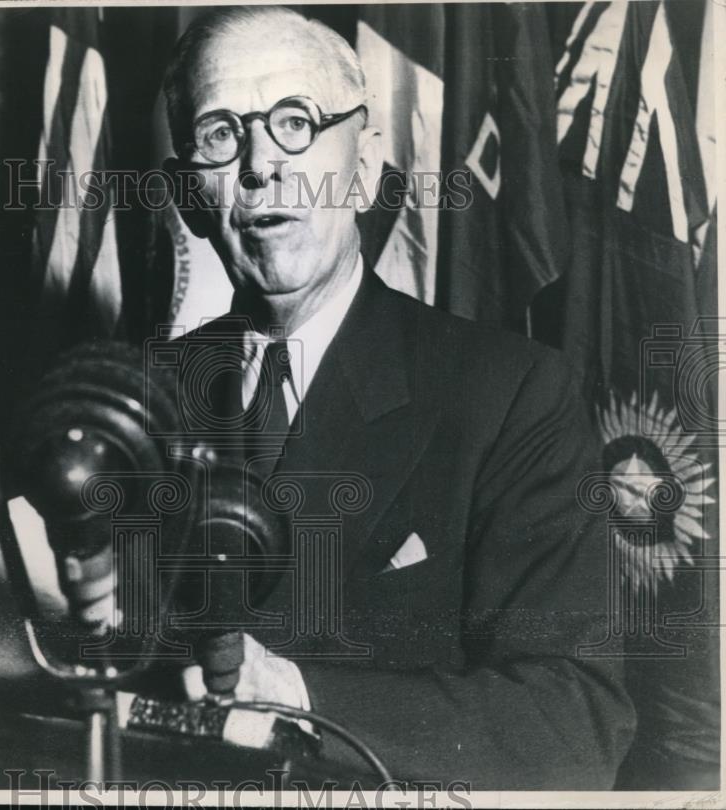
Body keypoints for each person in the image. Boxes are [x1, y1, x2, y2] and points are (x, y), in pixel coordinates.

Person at [159, 5, 637, 789]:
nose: (259, 166)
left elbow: (571, 721)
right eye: (220, 133)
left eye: (294, 122)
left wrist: (297, 699)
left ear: (367, 160)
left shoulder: (510, 395)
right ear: (187, 191)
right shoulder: (137, 402)